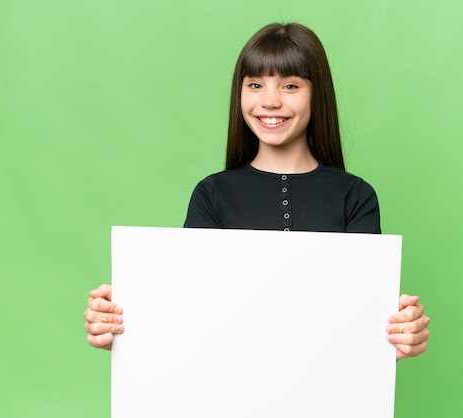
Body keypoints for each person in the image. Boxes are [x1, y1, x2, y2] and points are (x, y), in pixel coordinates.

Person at [84, 22, 430, 360]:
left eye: (290, 86)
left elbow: (361, 321)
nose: (270, 101)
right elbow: (190, 310)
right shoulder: (212, 194)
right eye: (255, 85)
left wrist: (400, 336)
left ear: (317, 93)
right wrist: (119, 324)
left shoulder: (355, 197)